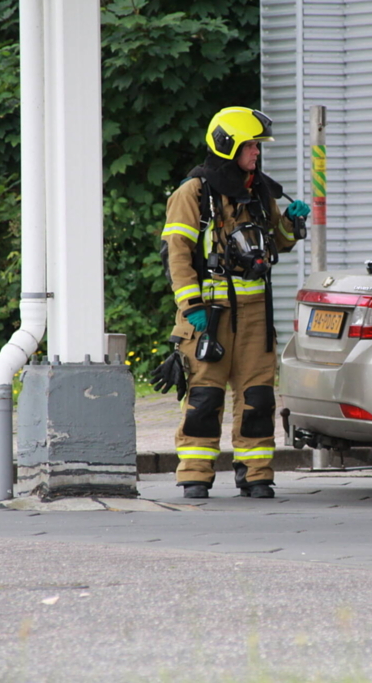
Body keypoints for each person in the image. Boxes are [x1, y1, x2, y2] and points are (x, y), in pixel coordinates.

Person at [156, 107, 309, 499]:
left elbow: (273, 244)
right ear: (227, 145)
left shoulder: (258, 190)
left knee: (258, 396)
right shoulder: (193, 193)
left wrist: (291, 224)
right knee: (204, 396)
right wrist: (192, 307)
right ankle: (194, 473)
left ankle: (256, 473)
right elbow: (177, 252)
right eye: (251, 145)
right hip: (209, 312)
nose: (257, 153)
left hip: (256, 314)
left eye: (258, 145)